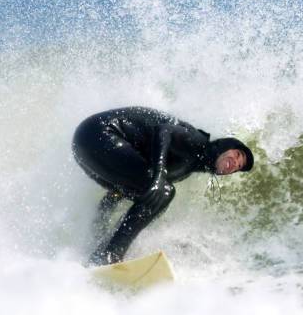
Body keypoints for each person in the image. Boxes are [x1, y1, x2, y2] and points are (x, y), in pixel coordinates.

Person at [71, 106, 254, 265]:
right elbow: (163, 130)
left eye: (238, 167)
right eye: (237, 155)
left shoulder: (188, 165)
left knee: (147, 193)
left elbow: (118, 192)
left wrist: (99, 224)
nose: (235, 164)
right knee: (164, 190)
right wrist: (159, 174)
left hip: (85, 142)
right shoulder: (198, 143)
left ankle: (99, 250)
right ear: (225, 146)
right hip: (101, 133)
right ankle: (110, 255)